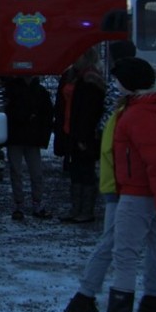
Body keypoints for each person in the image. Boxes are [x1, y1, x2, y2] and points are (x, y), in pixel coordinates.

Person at [65, 41, 156, 312]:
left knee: (124, 255)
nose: (114, 84)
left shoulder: (139, 114)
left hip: (136, 194)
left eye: (118, 80)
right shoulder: (152, 109)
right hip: (143, 194)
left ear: (128, 83)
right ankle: (131, 309)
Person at [59, 46, 107, 224]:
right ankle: (77, 209)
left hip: (83, 133)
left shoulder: (89, 80)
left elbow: (89, 113)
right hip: (73, 129)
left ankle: (85, 211)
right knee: (76, 171)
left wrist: (83, 137)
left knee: (85, 171)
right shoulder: (76, 76)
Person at [3, 76, 54, 220]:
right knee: (33, 172)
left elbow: (8, 111)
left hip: (18, 136)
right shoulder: (39, 91)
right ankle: (35, 204)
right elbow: (47, 114)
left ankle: (20, 205)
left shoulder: (12, 89)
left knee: (19, 172)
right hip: (30, 137)